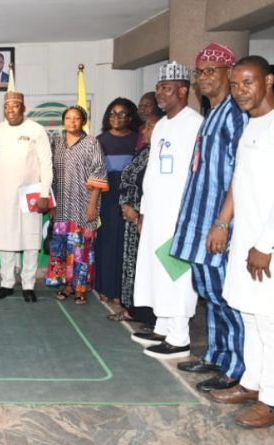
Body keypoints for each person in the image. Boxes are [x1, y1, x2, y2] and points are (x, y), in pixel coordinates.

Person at [169, 43, 249, 393]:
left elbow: (241, 175)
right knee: (209, 292)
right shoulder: (213, 112)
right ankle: (217, 355)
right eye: (199, 71)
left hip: (218, 224)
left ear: (229, 74)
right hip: (200, 221)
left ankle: (237, 370)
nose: (203, 77)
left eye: (211, 71)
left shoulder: (236, 114)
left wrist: (223, 224)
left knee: (225, 296)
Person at [212, 55, 274, 429]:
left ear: (269, 81)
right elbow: (238, 180)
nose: (239, 91)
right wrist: (222, 223)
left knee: (269, 321)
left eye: (247, 82)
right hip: (246, 238)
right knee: (248, 315)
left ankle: (271, 400)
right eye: (235, 85)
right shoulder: (251, 125)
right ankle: (252, 383)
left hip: (266, 246)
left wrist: (266, 245)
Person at [131, 62, 204, 359]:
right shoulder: (161, 125)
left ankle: (179, 337)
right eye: (159, 87)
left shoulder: (195, 123)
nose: (160, 93)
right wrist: (143, 211)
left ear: (183, 90)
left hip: (177, 215)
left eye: (166, 88)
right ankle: (162, 326)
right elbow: (152, 172)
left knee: (176, 273)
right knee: (155, 270)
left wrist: (188, 216)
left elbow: (196, 174)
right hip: (155, 213)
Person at [0, 90, 52, 302]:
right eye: (7, 107)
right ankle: (7, 282)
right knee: (5, 239)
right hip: (2, 194)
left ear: (23, 108)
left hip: (30, 195)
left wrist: (44, 193)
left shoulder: (36, 130)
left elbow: (46, 163)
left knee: (30, 240)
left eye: (15, 106)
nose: (10, 110)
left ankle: (28, 284)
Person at [111, 93, 164, 325]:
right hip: (131, 218)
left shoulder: (160, 154)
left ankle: (149, 316)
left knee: (148, 269)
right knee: (132, 267)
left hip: (146, 219)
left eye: (150, 128)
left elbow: (152, 187)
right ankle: (132, 309)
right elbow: (129, 180)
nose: (144, 131)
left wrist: (138, 211)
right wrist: (125, 205)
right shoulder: (144, 151)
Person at [46, 105, 107, 305]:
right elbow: (49, 175)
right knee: (63, 248)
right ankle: (66, 285)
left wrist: (92, 205)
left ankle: (80, 287)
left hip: (83, 205)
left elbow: (99, 173)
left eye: (77, 118)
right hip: (62, 206)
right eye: (68, 118)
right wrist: (52, 204)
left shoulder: (91, 143)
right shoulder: (56, 143)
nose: (72, 122)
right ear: (63, 121)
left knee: (81, 248)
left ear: (83, 121)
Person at [93, 98, 142, 306]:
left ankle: (123, 291)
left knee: (126, 243)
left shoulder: (139, 140)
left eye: (122, 114)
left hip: (131, 197)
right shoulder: (100, 140)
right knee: (106, 241)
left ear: (130, 117)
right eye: (113, 113)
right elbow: (95, 173)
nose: (117, 118)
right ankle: (105, 288)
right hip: (107, 196)